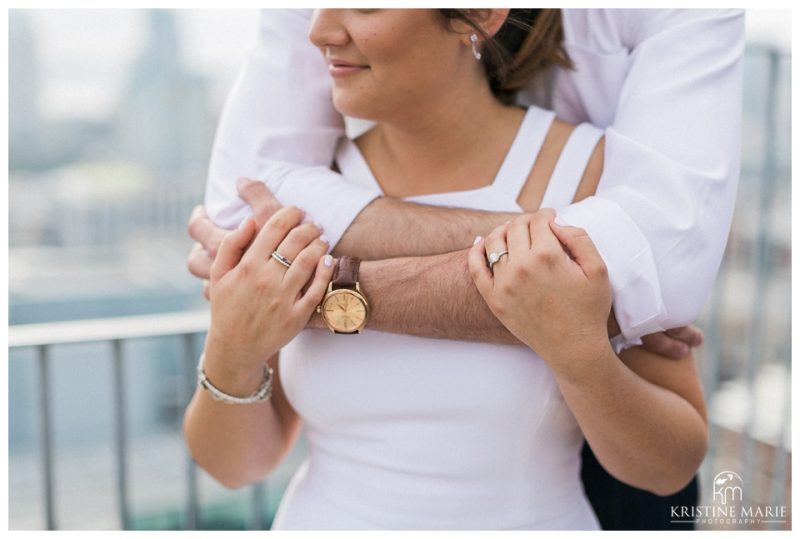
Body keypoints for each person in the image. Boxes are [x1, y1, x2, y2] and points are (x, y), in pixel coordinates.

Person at [186, 8, 743, 530]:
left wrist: (581, 356)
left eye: (365, 4)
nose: (320, 29)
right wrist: (233, 347)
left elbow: (668, 467)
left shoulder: (593, 179)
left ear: (479, 13)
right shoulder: (298, 195)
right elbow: (235, 466)